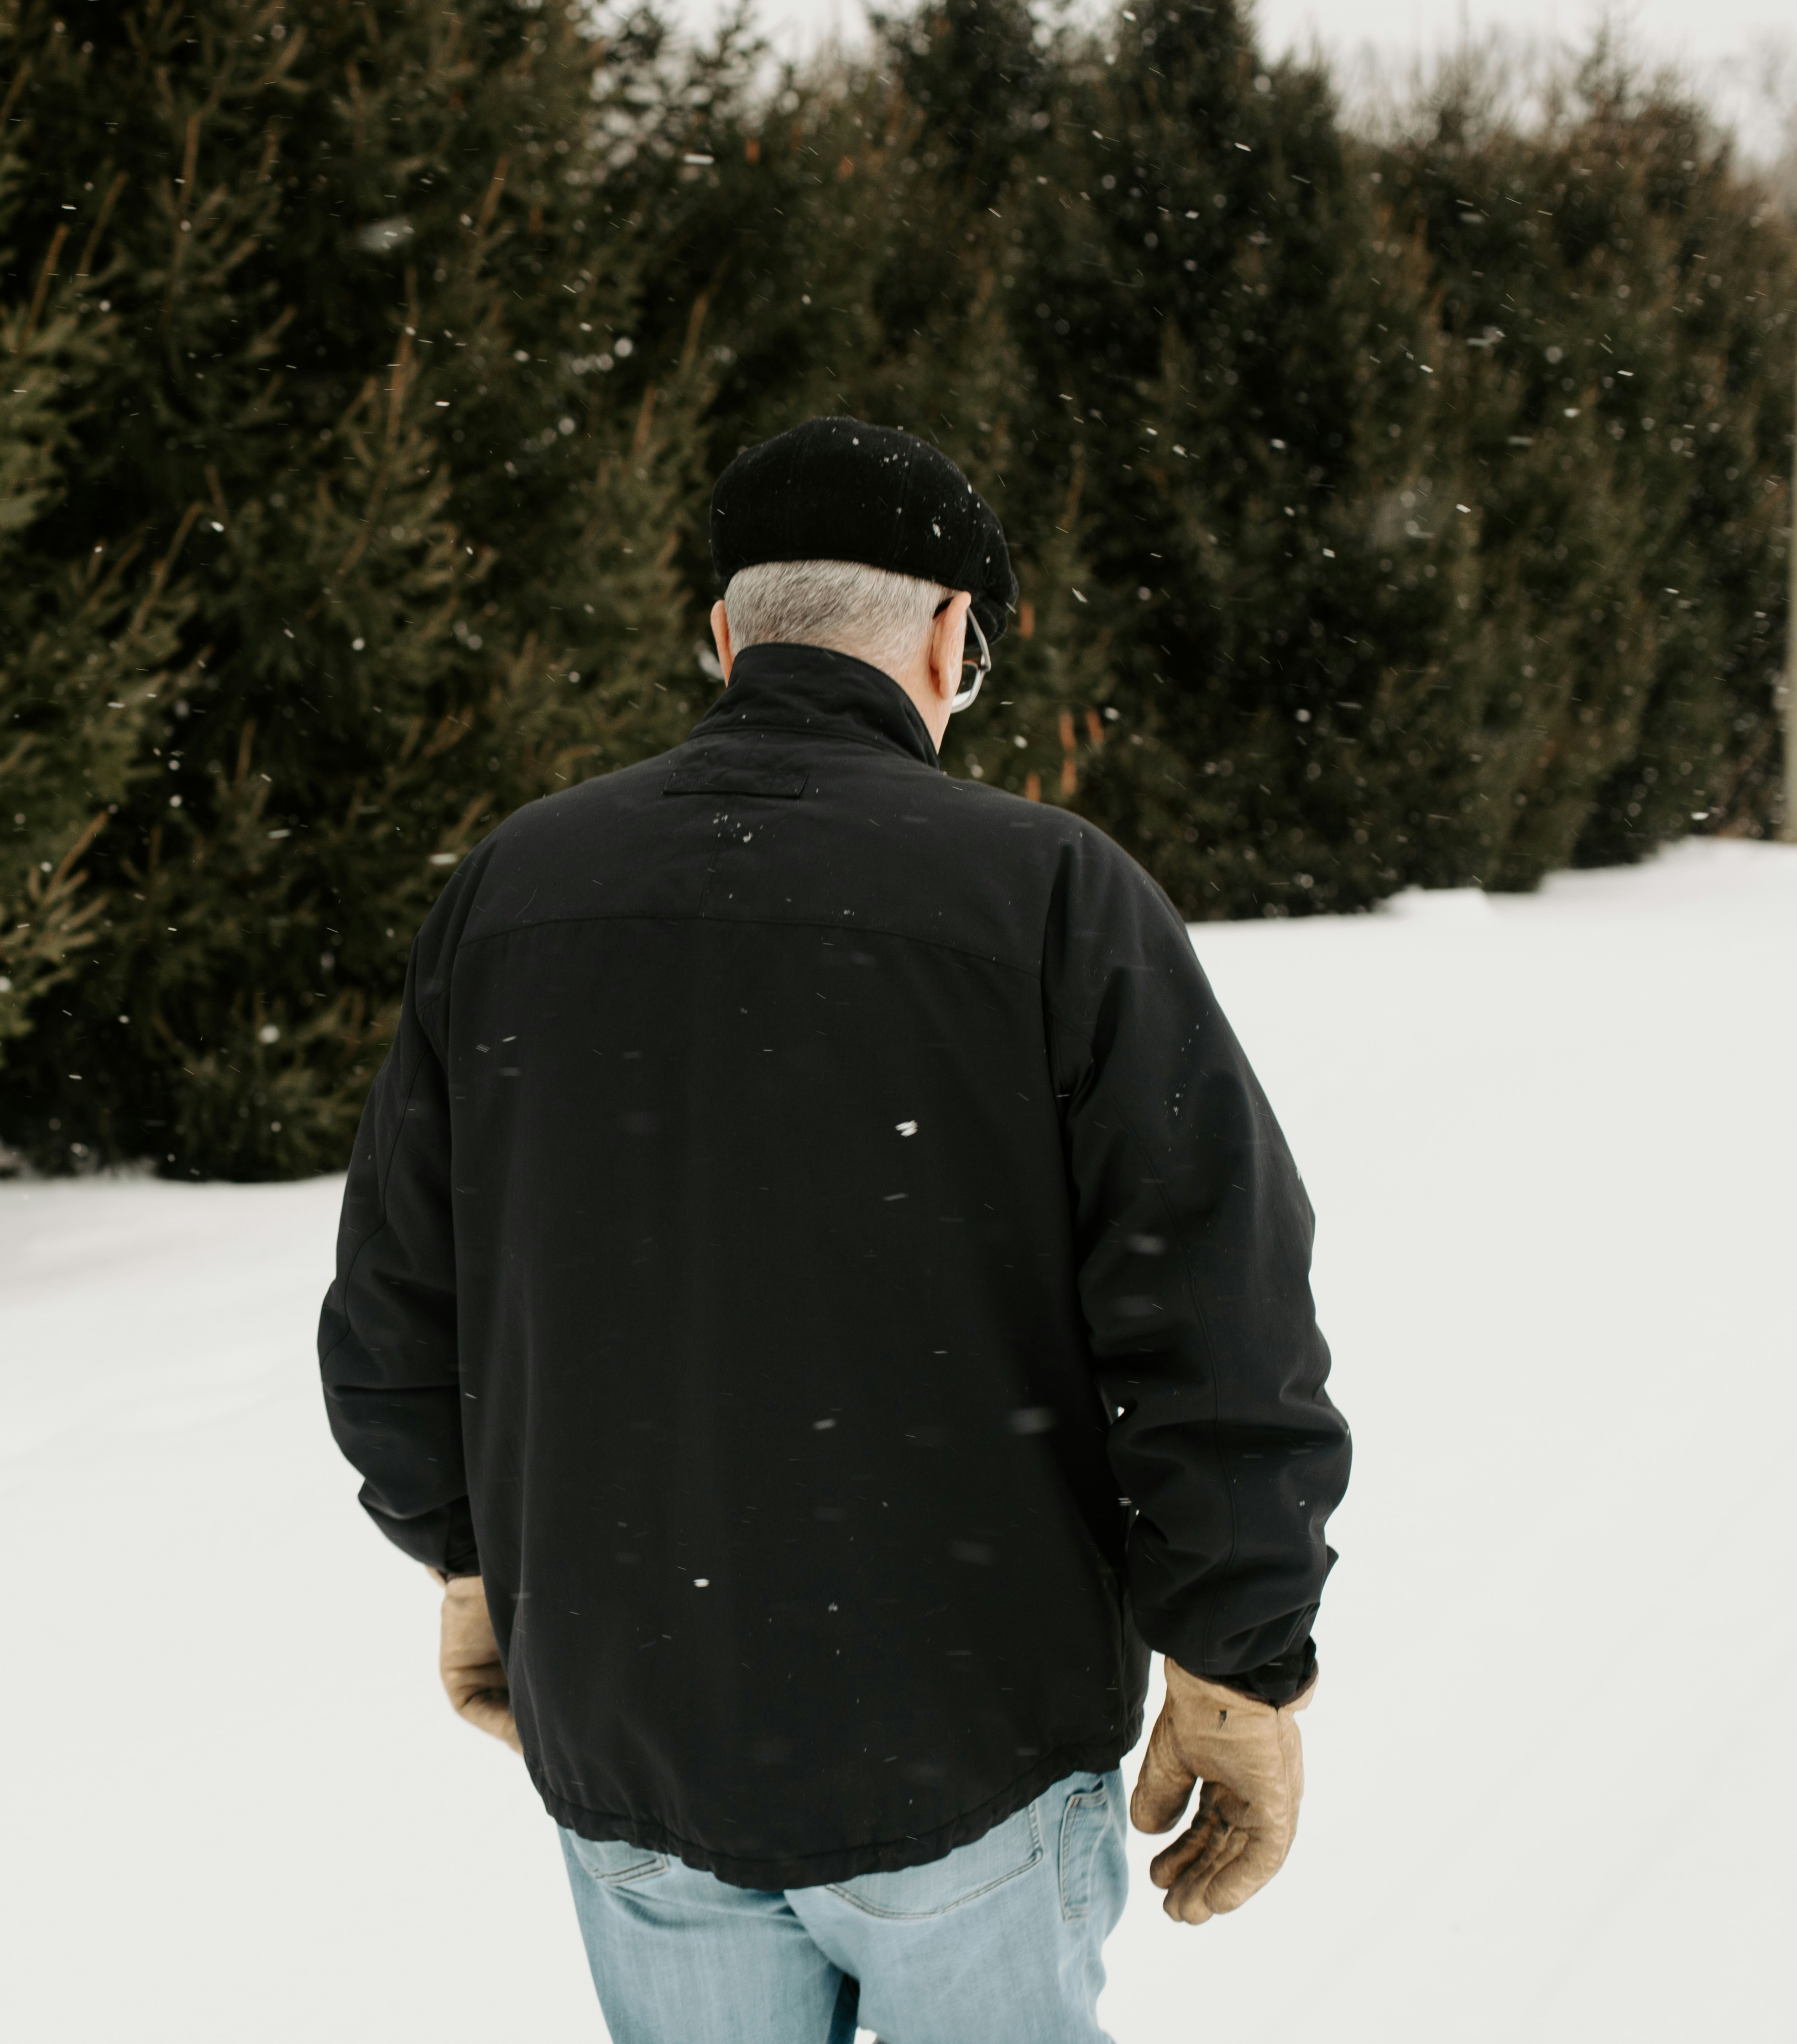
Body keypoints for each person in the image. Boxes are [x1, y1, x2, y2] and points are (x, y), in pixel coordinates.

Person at [315, 418, 1351, 2044]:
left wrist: (465, 1554)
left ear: (724, 636)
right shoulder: (1054, 896)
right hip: (969, 1739)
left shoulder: (517, 890)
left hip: (632, 1727)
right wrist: (1237, 1661)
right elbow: (1218, 1314)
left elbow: (393, 1307)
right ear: (952, 637)